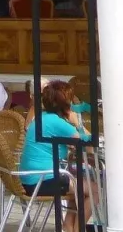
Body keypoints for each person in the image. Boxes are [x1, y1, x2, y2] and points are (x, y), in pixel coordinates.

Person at [17, 79, 89, 230]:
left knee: (80, 189)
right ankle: (77, 229)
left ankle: (69, 227)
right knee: (94, 190)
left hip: (30, 179)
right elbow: (88, 144)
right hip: (43, 180)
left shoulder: (42, 118)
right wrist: (77, 122)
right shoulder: (57, 122)